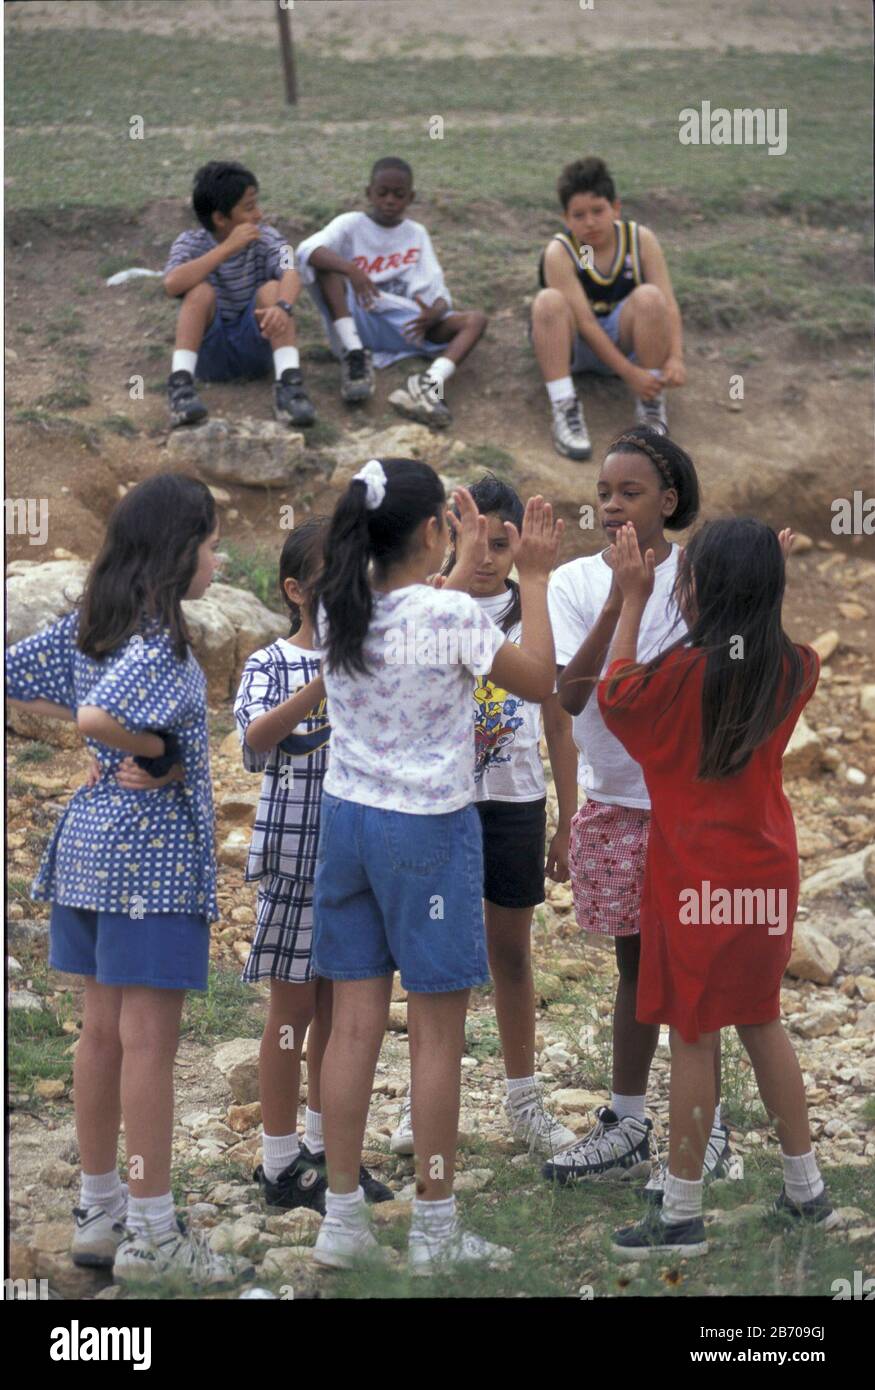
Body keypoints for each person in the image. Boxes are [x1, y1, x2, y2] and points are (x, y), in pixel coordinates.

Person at [307, 458, 562, 1275]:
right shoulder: (449, 618)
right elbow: (538, 680)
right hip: (428, 832)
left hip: (346, 822)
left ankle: (341, 1219)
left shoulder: (332, 602)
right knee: (435, 1036)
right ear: (432, 530)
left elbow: (419, 607)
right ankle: (435, 1226)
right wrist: (536, 579)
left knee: (350, 1027)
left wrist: (449, 560)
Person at [5, 474, 251, 1289]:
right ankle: (152, 1227)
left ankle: (99, 1208)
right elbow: (94, 717)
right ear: (180, 551)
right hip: (150, 855)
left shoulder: (93, 627)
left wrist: (106, 755)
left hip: (87, 848)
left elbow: (19, 680)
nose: (219, 556)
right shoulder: (154, 642)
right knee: (148, 1042)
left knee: (101, 1036)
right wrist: (150, 752)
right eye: (212, 542)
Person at [599, 518, 838, 1258]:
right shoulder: (794, 668)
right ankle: (807, 1192)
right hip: (765, 874)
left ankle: (679, 1213)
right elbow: (755, 642)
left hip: (694, 879)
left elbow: (614, 691)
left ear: (694, 590)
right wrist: (762, 583)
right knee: (760, 1019)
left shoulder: (673, 681)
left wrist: (632, 598)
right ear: (767, 594)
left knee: (693, 1035)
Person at [544, 427, 736, 1193]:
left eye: (630, 493)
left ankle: (706, 1126)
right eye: (601, 492)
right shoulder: (570, 584)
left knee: (693, 964)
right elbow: (568, 695)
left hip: (688, 805)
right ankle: (626, 1121)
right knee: (631, 963)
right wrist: (622, 599)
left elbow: (713, 680)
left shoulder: (702, 576)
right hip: (614, 801)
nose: (611, 506)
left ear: (668, 500)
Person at [389, 474, 576, 1161]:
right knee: (434, 958)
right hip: (440, 802)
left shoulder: (534, 606)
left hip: (514, 801)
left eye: (504, 544)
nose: (491, 556)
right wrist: (456, 567)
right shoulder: (428, 603)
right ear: (450, 534)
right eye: (480, 540)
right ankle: (421, 1099)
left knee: (510, 954)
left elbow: (556, 717)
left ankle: (523, 1098)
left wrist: (567, 817)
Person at [233, 519, 392, 1212]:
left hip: (354, 861)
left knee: (339, 1009)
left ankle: (330, 1153)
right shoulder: (269, 662)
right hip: (295, 863)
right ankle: (277, 1161)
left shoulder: (370, 657)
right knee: (290, 1012)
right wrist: (319, 687)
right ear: (297, 590)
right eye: (333, 575)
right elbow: (256, 742)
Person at [294, 157, 487, 429]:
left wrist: (436, 312)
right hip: (360, 314)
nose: (389, 201)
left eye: (399, 195)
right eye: (382, 193)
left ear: (411, 197)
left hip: (407, 324)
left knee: (475, 320)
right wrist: (352, 269)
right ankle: (354, 355)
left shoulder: (416, 233)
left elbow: (439, 291)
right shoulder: (350, 224)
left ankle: (428, 385)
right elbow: (306, 250)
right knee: (327, 267)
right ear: (368, 193)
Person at [531, 156, 685, 461]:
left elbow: (668, 303)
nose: (589, 222)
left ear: (616, 207)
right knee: (548, 302)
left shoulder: (641, 240)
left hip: (623, 339)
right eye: (578, 215)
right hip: (575, 347)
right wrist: (630, 373)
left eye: (598, 211)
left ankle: (651, 400)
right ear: (565, 218)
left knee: (651, 297)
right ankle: (564, 405)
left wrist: (676, 357)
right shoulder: (559, 252)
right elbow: (586, 324)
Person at [163, 160, 316, 428]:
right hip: (210, 354)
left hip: (256, 343)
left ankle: (289, 384)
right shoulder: (189, 242)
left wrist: (283, 307)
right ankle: (181, 387)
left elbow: (291, 270)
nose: (258, 214)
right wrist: (226, 249)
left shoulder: (268, 236)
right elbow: (172, 283)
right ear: (220, 219)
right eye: (249, 208)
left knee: (272, 289)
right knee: (199, 292)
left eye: (257, 204)